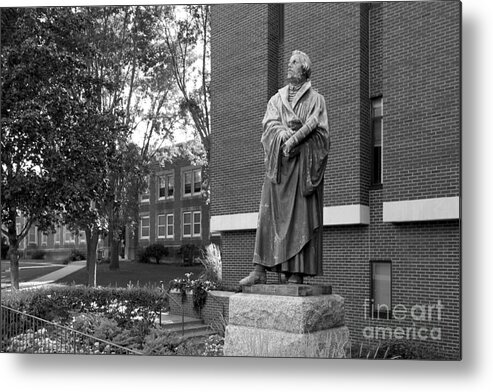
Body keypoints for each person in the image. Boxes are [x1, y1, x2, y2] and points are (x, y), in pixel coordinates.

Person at [239, 50, 330, 286]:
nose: (289, 66)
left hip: (302, 168)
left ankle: (296, 273)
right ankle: (260, 270)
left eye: (294, 62)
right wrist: (283, 134)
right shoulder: (276, 100)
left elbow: (322, 136)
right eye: (289, 62)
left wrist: (301, 140)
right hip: (278, 167)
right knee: (266, 213)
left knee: (300, 217)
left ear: (305, 70)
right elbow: (268, 126)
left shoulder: (316, 100)